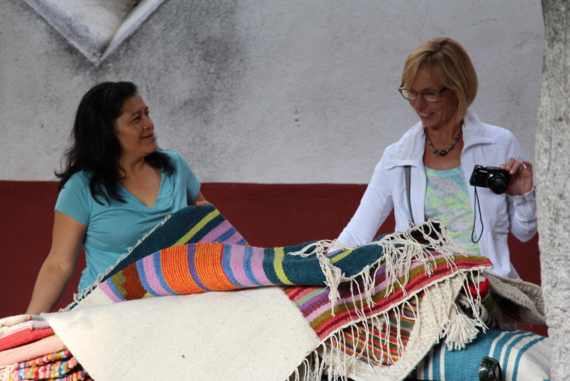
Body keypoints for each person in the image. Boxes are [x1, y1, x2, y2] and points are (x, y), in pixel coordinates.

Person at [337, 37, 536, 279]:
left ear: (458, 88)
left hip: (487, 297)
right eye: (411, 92)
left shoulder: (499, 144)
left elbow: (525, 232)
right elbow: (357, 234)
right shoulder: (397, 157)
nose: (418, 105)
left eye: (429, 94)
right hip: (421, 300)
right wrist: (317, 271)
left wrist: (522, 196)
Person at [26, 82, 209, 314]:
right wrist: (28, 323)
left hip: (176, 307)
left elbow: (206, 221)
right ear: (107, 132)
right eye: (136, 119)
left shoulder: (176, 167)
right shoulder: (81, 189)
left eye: (147, 113)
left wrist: (208, 220)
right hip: (105, 313)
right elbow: (58, 265)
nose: (149, 124)